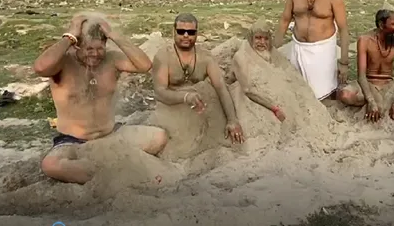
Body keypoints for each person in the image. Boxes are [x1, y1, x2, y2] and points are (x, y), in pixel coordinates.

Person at [34, 13, 167, 184]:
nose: (95, 54)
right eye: (89, 49)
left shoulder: (111, 59)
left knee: (159, 137)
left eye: (100, 48)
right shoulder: (63, 62)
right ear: (77, 46)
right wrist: (70, 34)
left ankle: (107, 168)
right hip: (74, 143)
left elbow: (144, 65)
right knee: (51, 165)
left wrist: (114, 35)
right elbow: (40, 67)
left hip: (110, 136)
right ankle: (108, 176)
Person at [152, 13, 245, 144]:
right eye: (181, 31)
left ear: (196, 33)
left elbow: (221, 88)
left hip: (201, 118)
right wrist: (185, 97)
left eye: (190, 32)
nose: (185, 35)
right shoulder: (163, 56)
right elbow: (160, 92)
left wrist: (232, 120)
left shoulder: (205, 57)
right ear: (174, 31)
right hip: (170, 115)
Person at [337, 8, 394, 121]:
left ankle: (387, 107)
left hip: (389, 85)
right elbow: (361, 75)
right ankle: (381, 105)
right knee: (345, 95)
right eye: (393, 24)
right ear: (381, 25)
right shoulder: (365, 40)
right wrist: (371, 100)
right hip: (368, 82)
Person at [273, 0, 350, 100]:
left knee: (323, 94)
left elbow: (344, 29)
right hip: (299, 48)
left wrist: (344, 62)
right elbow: (284, 21)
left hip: (323, 50)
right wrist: (273, 50)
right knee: (297, 92)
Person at [233, 19, 294, 123]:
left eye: (266, 39)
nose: (262, 42)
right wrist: (274, 109)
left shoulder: (270, 54)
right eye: (258, 38)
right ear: (251, 38)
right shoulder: (241, 57)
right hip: (250, 107)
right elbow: (248, 90)